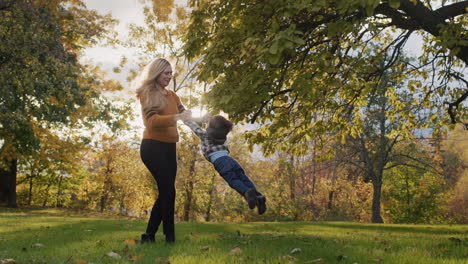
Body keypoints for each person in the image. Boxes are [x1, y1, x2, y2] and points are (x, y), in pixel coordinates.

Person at [134, 58, 190, 243]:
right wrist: (177, 117)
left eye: (171, 73)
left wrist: (205, 121)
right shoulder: (147, 93)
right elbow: (151, 122)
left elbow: (185, 117)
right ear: (157, 73)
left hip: (169, 147)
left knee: (169, 192)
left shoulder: (173, 96)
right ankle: (151, 235)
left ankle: (167, 237)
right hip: (152, 147)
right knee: (167, 190)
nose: (169, 76)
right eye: (166, 73)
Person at [181, 114, 267, 215]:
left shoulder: (206, 136)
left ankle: (246, 193)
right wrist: (207, 119)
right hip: (231, 160)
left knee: (233, 180)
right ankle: (258, 197)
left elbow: (194, 127)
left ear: (211, 127)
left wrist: (185, 119)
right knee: (243, 178)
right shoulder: (222, 137)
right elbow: (216, 124)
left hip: (220, 162)